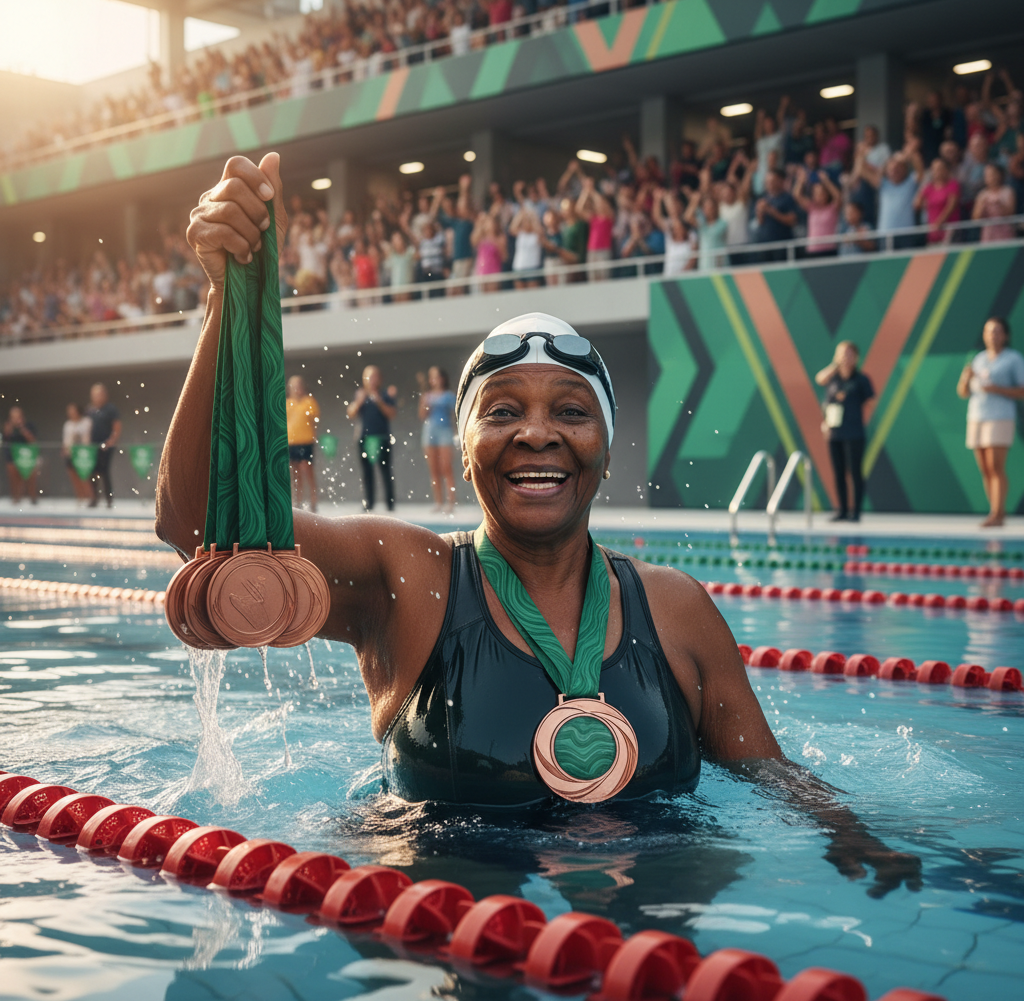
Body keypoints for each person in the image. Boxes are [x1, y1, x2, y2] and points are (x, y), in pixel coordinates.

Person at [157, 152, 922, 897]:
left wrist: (854, 833)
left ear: (605, 448)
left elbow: (767, 773)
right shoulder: (411, 580)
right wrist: (227, 301)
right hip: (459, 926)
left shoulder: (676, 608)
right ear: (462, 452)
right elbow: (197, 523)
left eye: (570, 411)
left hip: (652, 938)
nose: (537, 434)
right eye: (502, 412)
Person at [957, 317, 1024, 527]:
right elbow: (963, 392)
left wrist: (996, 389)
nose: (992, 335)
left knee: (996, 466)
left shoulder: (1013, 359)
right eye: (988, 331)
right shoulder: (978, 359)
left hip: (1000, 417)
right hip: (977, 416)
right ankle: (994, 510)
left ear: (1005, 335)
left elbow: (1022, 390)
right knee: (985, 468)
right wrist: (966, 378)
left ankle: (998, 512)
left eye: (996, 331)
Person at [815, 342, 874, 523]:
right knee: (838, 472)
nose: (845, 358)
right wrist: (835, 365)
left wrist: (856, 418)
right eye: (841, 354)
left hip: (854, 432)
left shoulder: (860, 379)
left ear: (856, 357)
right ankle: (841, 510)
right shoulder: (834, 379)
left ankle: (855, 511)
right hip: (835, 432)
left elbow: (871, 401)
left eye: (849, 354)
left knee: (855, 472)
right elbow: (820, 378)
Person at [346, 364, 397, 512]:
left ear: (380, 379)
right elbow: (350, 413)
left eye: (374, 376)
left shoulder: (385, 395)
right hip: (365, 439)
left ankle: (390, 503)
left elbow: (392, 414)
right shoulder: (360, 395)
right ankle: (369, 503)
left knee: (385, 471)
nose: (371, 380)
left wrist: (379, 400)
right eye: (368, 377)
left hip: (382, 438)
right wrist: (359, 401)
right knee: (367, 472)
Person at [418, 366, 458, 513]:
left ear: (442, 378)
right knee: (433, 469)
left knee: (446, 467)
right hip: (429, 432)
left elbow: (456, 414)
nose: (433, 380)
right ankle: (438, 502)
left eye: (436, 376)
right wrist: (424, 404)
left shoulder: (449, 395)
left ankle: (451, 502)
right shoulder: (426, 396)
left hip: (445, 432)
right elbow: (422, 416)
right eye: (431, 377)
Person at [286, 375, 319, 512]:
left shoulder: (309, 401)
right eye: (294, 386)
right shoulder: (287, 403)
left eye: (299, 386)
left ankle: (313, 500)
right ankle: (297, 501)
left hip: (306, 441)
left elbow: (315, 418)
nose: (297, 389)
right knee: (295, 473)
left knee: (307, 470)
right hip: (291, 441)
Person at [87, 383, 120, 508]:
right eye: (95, 395)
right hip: (92, 448)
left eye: (99, 394)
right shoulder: (90, 410)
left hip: (106, 447)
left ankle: (109, 500)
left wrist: (111, 441)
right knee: (91, 471)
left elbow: (117, 427)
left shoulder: (111, 409)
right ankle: (94, 498)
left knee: (104, 472)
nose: (97, 397)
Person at [914, 157, 961, 244]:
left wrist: (939, 223)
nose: (937, 171)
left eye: (940, 168)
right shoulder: (929, 187)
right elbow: (916, 204)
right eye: (934, 169)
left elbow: (951, 206)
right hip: (933, 232)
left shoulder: (952, 184)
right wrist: (924, 183)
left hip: (949, 231)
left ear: (947, 170)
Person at [972, 163, 1016, 242]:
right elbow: (976, 219)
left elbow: (1011, 213)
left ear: (1000, 175)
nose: (991, 177)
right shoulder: (982, 195)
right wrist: (983, 207)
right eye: (987, 175)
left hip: (1005, 232)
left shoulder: (1008, 191)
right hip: (988, 233)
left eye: (993, 174)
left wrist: (999, 205)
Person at [2, 406, 38, 504]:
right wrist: (9, 428)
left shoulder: (28, 426)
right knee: (14, 478)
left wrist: (22, 427)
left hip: (27, 456)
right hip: (12, 456)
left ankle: (33, 497)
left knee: (30, 476)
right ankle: (16, 497)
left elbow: (32, 440)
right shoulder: (8, 426)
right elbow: (5, 438)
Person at [62, 402, 93, 502]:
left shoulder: (86, 422)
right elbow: (66, 440)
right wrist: (65, 450)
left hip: (83, 454)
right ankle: (80, 497)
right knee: (74, 477)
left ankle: (89, 497)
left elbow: (87, 437)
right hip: (71, 453)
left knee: (85, 476)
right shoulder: (67, 424)